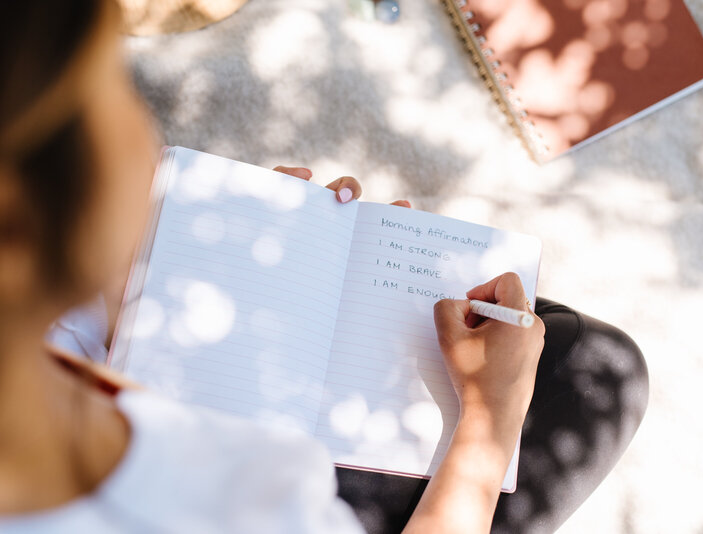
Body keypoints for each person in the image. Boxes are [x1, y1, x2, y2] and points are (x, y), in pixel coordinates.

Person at [0, 1, 649, 532]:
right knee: (598, 367)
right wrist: (488, 424)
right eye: (112, 90)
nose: (145, 128)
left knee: (528, 328)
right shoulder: (250, 501)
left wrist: (172, 277)